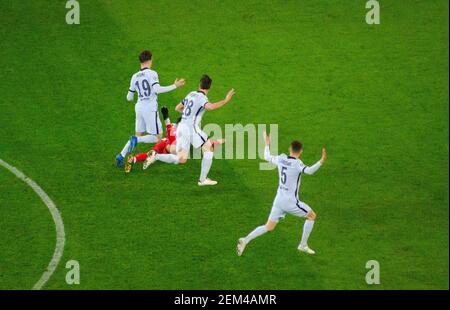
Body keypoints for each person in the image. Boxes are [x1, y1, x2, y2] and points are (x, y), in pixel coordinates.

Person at [237, 132, 327, 256]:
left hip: (278, 201)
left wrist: (267, 143)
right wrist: (321, 161)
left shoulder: (281, 158)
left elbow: (266, 156)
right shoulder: (297, 164)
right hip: (290, 202)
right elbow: (310, 171)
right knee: (312, 216)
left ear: (290, 149)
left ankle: (245, 240)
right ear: (300, 152)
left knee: (269, 226)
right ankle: (303, 245)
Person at [144, 75, 235, 186]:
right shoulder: (203, 98)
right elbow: (210, 107)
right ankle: (202, 180)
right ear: (209, 88)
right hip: (191, 128)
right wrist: (226, 100)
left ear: (199, 84)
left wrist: (188, 115)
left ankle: (156, 156)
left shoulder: (191, 94)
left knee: (181, 159)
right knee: (209, 147)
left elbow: (177, 108)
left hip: (181, 126)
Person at [115, 50, 185, 167]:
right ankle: (137, 143)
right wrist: (175, 86)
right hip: (150, 108)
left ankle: (121, 156)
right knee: (157, 137)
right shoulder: (152, 73)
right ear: (150, 60)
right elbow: (157, 89)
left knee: (138, 135)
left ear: (140, 61)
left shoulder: (134, 76)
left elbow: (129, 97)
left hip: (139, 107)